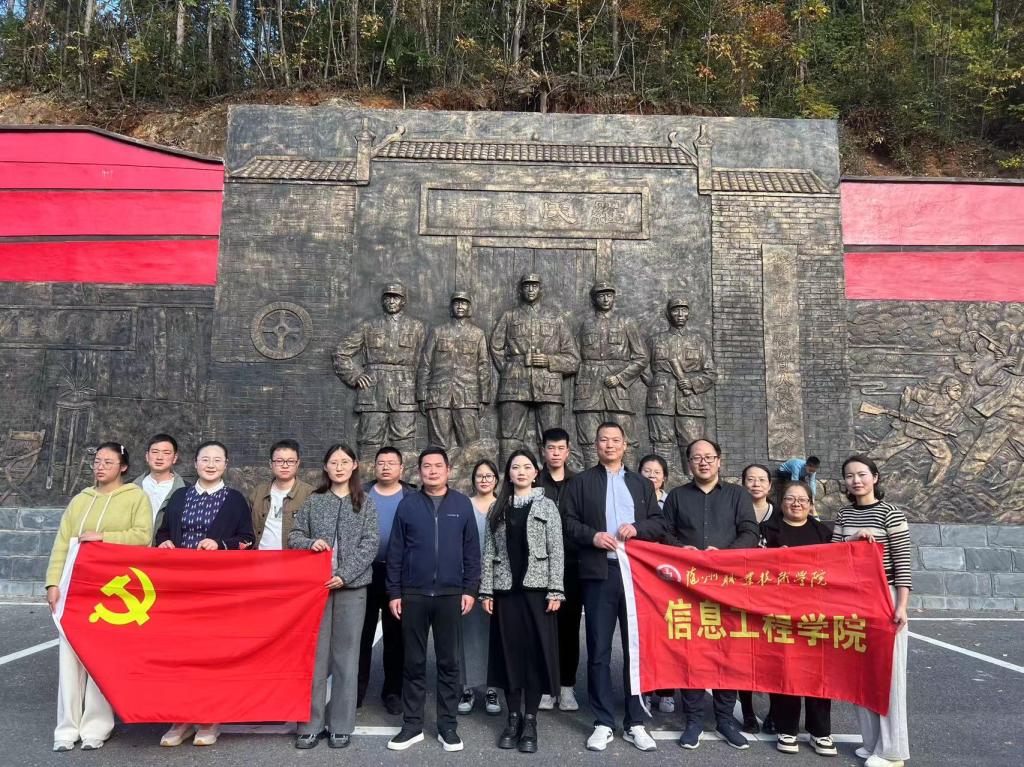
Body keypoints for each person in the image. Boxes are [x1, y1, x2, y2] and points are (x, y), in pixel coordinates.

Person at [562, 422, 665, 752]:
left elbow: (659, 523)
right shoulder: (581, 483)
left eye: (615, 440)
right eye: (603, 440)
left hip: (635, 575)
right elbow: (567, 522)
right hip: (599, 573)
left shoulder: (641, 483)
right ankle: (603, 721)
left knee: (636, 648)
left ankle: (636, 721)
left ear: (625, 445)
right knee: (599, 649)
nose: (609, 445)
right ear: (596, 445)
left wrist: (637, 528)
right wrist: (592, 536)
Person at [46, 441, 152, 752]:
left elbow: (142, 536)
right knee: (69, 659)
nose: (100, 466)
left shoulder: (136, 497)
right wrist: (52, 583)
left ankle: (96, 726)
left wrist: (103, 537)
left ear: (123, 467)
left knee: (100, 659)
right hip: (76, 590)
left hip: (113, 592)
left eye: (108, 462)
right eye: (97, 461)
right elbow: (62, 543)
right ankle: (66, 728)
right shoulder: (81, 500)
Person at [661, 438, 758, 751]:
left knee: (727, 651)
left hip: (727, 586)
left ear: (719, 460)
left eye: (709, 457)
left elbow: (750, 532)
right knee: (691, 651)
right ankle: (693, 720)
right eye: (697, 458)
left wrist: (724, 556)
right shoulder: (677, 496)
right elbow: (665, 532)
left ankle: (725, 720)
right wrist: (681, 549)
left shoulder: (737, 495)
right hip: (687, 587)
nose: (703, 462)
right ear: (689, 462)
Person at [155, 440, 255, 748]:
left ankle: (210, 719)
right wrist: (164, 542)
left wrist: (220, 544)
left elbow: (247, 539)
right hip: (180, 587)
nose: (210, 464)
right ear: (195, 463)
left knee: (211, 654)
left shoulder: (235, 500)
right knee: (179, 654)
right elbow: (164, 531)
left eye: (217, 460)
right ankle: (180, 719)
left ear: (226, 464)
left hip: (216, 589)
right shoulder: (180, 496)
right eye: (205, 459)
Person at [385, 447, 481, 753]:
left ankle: (447, 726)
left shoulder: (462, 504)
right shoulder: (408, 505)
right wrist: (394, 593)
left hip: (450, 595)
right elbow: (396, 552)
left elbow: (472, 551)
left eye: (438, 466)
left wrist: (470, 589)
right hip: (413, 594)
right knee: (413, 662)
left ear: (448, 470)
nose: (432, 471)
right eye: (427, 466)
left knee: (448, 662)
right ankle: (412, 725)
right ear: (420, 471)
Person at [289, 444, 378, 749]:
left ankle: (341, 724)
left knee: (347, 658)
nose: (339, 467)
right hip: (316, 590)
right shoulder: (314, 501)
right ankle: (310, 725)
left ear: (354, 465)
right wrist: (310, 542)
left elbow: (370, 544)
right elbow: (294, 536)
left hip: (352, 589)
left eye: (344, 462)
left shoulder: (365, 502)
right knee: (315, 656)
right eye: (333, 462)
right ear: (325, 467)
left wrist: (345, 574)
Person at [480, 450, 564, 753]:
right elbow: (489, 551)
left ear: (535, 473)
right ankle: (512, 718)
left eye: (527, 467)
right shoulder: (498, 507)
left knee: (534, 656)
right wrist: (486, 591)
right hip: (506, 592)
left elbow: (556, 549)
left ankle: (530, 721)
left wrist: (556, 590)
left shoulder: (547, 506)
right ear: (509, 473)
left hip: (537, 592)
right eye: (515, 467)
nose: (521, 472)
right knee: (509, 655)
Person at [834, 455, 911, 767]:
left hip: (885, 597)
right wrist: (852, 540)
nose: (856, 480)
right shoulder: (844, 514)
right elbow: (833, 558)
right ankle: (871, 743)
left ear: (875, 477)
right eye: (850, 475)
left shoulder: (890, 513)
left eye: (862, 474)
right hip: (854, 599)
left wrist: (901, 605)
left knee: (888, 675)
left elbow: (903, 563)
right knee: (861, 674)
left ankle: (892, 752)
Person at [763, 481, 837, 757]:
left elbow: (837, 567)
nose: (796, 503)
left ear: (810, 503)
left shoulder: (823, 532)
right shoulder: (768, 530)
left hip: (816, 613)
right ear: (781, 502)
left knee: (818, 671)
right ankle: (786, 728)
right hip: (780, 611)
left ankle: (820, 731)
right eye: (790, 498)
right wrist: (774, 559)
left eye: (802, 499)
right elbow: (754, 566)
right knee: (786, 669)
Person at [333, 281, 426, 466]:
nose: (392, 301)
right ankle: (365, 480)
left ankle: (406, 479)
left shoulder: (416, 327)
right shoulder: (368, 326)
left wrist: (422, 391)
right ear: (383, 301)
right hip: (373, 391)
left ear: (403, 301)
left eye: (396, 298)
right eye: (388, 298)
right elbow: (341, 352)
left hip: (405, 390)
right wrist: (355, 375)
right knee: (370, 440)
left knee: (405, 440)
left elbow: (425, 361)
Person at [490, 273, 580, 462]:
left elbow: (573, 360)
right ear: (520, 290)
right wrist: (510, 369)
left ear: (541, 289)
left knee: (552, 437)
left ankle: (552, 476)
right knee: (509, 437)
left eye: (534, 285)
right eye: (527, 286)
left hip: (549, 386)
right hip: (513, 386)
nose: (530, 289)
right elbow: (495, 347)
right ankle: (507, 475)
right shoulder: (509, 317)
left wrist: (549, 361)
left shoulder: (556, 319)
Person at [357, 447, 414, 714]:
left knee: (395, 636)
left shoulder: (411, 496)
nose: (386, 467)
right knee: (362, 634)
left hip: (399, 573)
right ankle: (356, 690)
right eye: (381, 463)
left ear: (401, 468)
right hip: (365, 571)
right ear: (374, 467)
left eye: (392, 463)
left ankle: (392, 691)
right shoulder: (361, 493)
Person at [573, 282, 648, 468]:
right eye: (601, 295)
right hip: (588, 387)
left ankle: (629, 477)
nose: (605, 299)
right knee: (588, 438)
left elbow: (641, 357)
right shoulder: (585, 324)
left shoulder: (626, 322)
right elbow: (574, 357)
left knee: (626, 437)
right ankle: (591, 479)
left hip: (618, 390)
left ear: (614, 297)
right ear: (594, 299)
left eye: (609, 295)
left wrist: (621, 378)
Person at [642, 297, 717, 480]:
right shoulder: (655, 340)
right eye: (676, 310)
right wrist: (656, 384)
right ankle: (662, 483)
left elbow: (711, 373)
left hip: (690, 401)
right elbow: (642, 366)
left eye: (684, 310)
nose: (680, 314)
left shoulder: (698, 341)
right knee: (661, 442)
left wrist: (692, 383)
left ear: (689, 313)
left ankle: (693, 483)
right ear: (668, 314)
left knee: (693, 446)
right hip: (660, 400)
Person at [535, 427, 580, 712]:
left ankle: (566, 687)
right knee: (542, 627)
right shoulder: (535, 481)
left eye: (560, 448)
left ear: (568, 451)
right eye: (550, 448)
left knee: (569, 628)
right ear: (543, 450)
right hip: (539, 565)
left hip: (572, 565)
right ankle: (544, 686)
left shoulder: (579, 482)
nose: (555, 453)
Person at [416, 291, 492, 450]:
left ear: (469, 307)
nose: (460, 306)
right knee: (438, 446)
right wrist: (422, 396)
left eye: (463, 303)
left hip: (467, 397)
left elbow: (484, 366)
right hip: (438, 396)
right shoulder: (438, 332)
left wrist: (484, 398)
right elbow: (425, 364)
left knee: (471, 446)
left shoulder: (478, 334)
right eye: (456, 303)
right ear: (451, 307)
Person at [459, 459, 501, 716]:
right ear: (473, 479)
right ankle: (466, 687)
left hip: (498, 579)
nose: (484, 480)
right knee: (466, 633)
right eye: (480, 476)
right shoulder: (464, 505)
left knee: (493, 634)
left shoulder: (503, 505)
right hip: (468, 577)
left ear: (496, 479)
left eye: (489, 476)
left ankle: (491, 688)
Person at [738, 462, 776, 734]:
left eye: (761, 480)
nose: (756, 484)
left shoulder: (780, 515)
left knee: (773, 654)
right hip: (742, 594)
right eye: (750, 480)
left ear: (770, 485)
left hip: (773, 597)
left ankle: (774, 712)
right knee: (745, 654)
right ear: (743, 484)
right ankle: (748, 712)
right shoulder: (736, 513)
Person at [638, 453, 675, 715]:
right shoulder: (633, 499)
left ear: (664, 477)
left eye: (657, 472)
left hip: (668, 576)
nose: (652, 476)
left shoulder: (671, 502)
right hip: (641, 574)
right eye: (647, 471)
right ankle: (646, 688)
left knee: (669, 633)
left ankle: (667, 691)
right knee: (644, 635)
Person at [249, 439, 314, 550]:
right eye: (279, 461)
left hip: (293, 558)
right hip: (259, 557)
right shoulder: (258, 493)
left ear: (297, 463)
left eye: (290, 461)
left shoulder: (310, 494)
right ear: (271, 463)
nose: (285, 465)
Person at [133, 433, 185, 535]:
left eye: (166, 453)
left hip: (167, 544)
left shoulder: (186, 490)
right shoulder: (131, 486)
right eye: (155, 452)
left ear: (175, 458)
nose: (159, 457)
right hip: (135, 543)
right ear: (147, 456)